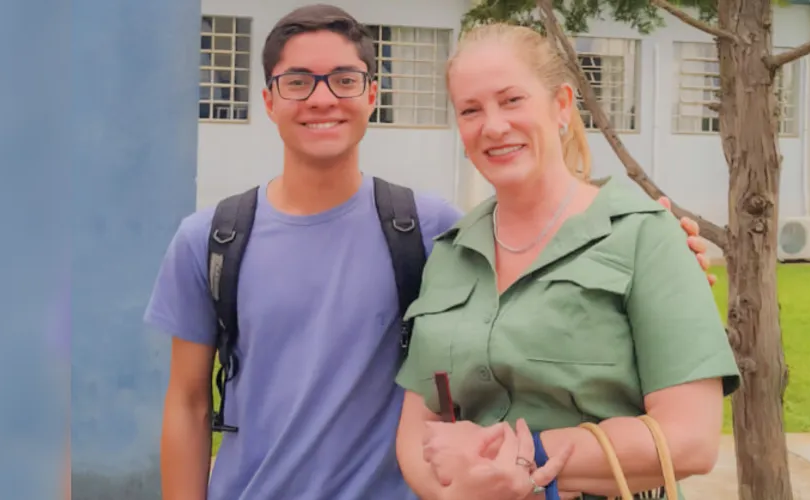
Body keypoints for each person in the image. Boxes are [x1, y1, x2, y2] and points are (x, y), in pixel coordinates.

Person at [144, 5, 714, 499]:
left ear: (372, 95)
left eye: (344, 79)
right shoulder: (214, 239)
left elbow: (554, 242)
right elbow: (188, 404)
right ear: (269, 100)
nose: (322, 98)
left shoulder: (426, 228)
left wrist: (659, 249)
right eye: (298, 82)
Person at [393, 23, 741, 500]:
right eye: (470, 110)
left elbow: (690, 440)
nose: (493, 126)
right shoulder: (450, 252)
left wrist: (520, 459)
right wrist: (457, 493)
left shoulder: (645, 235)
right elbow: (417, 430)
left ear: (561, 105)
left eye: (512, 100)